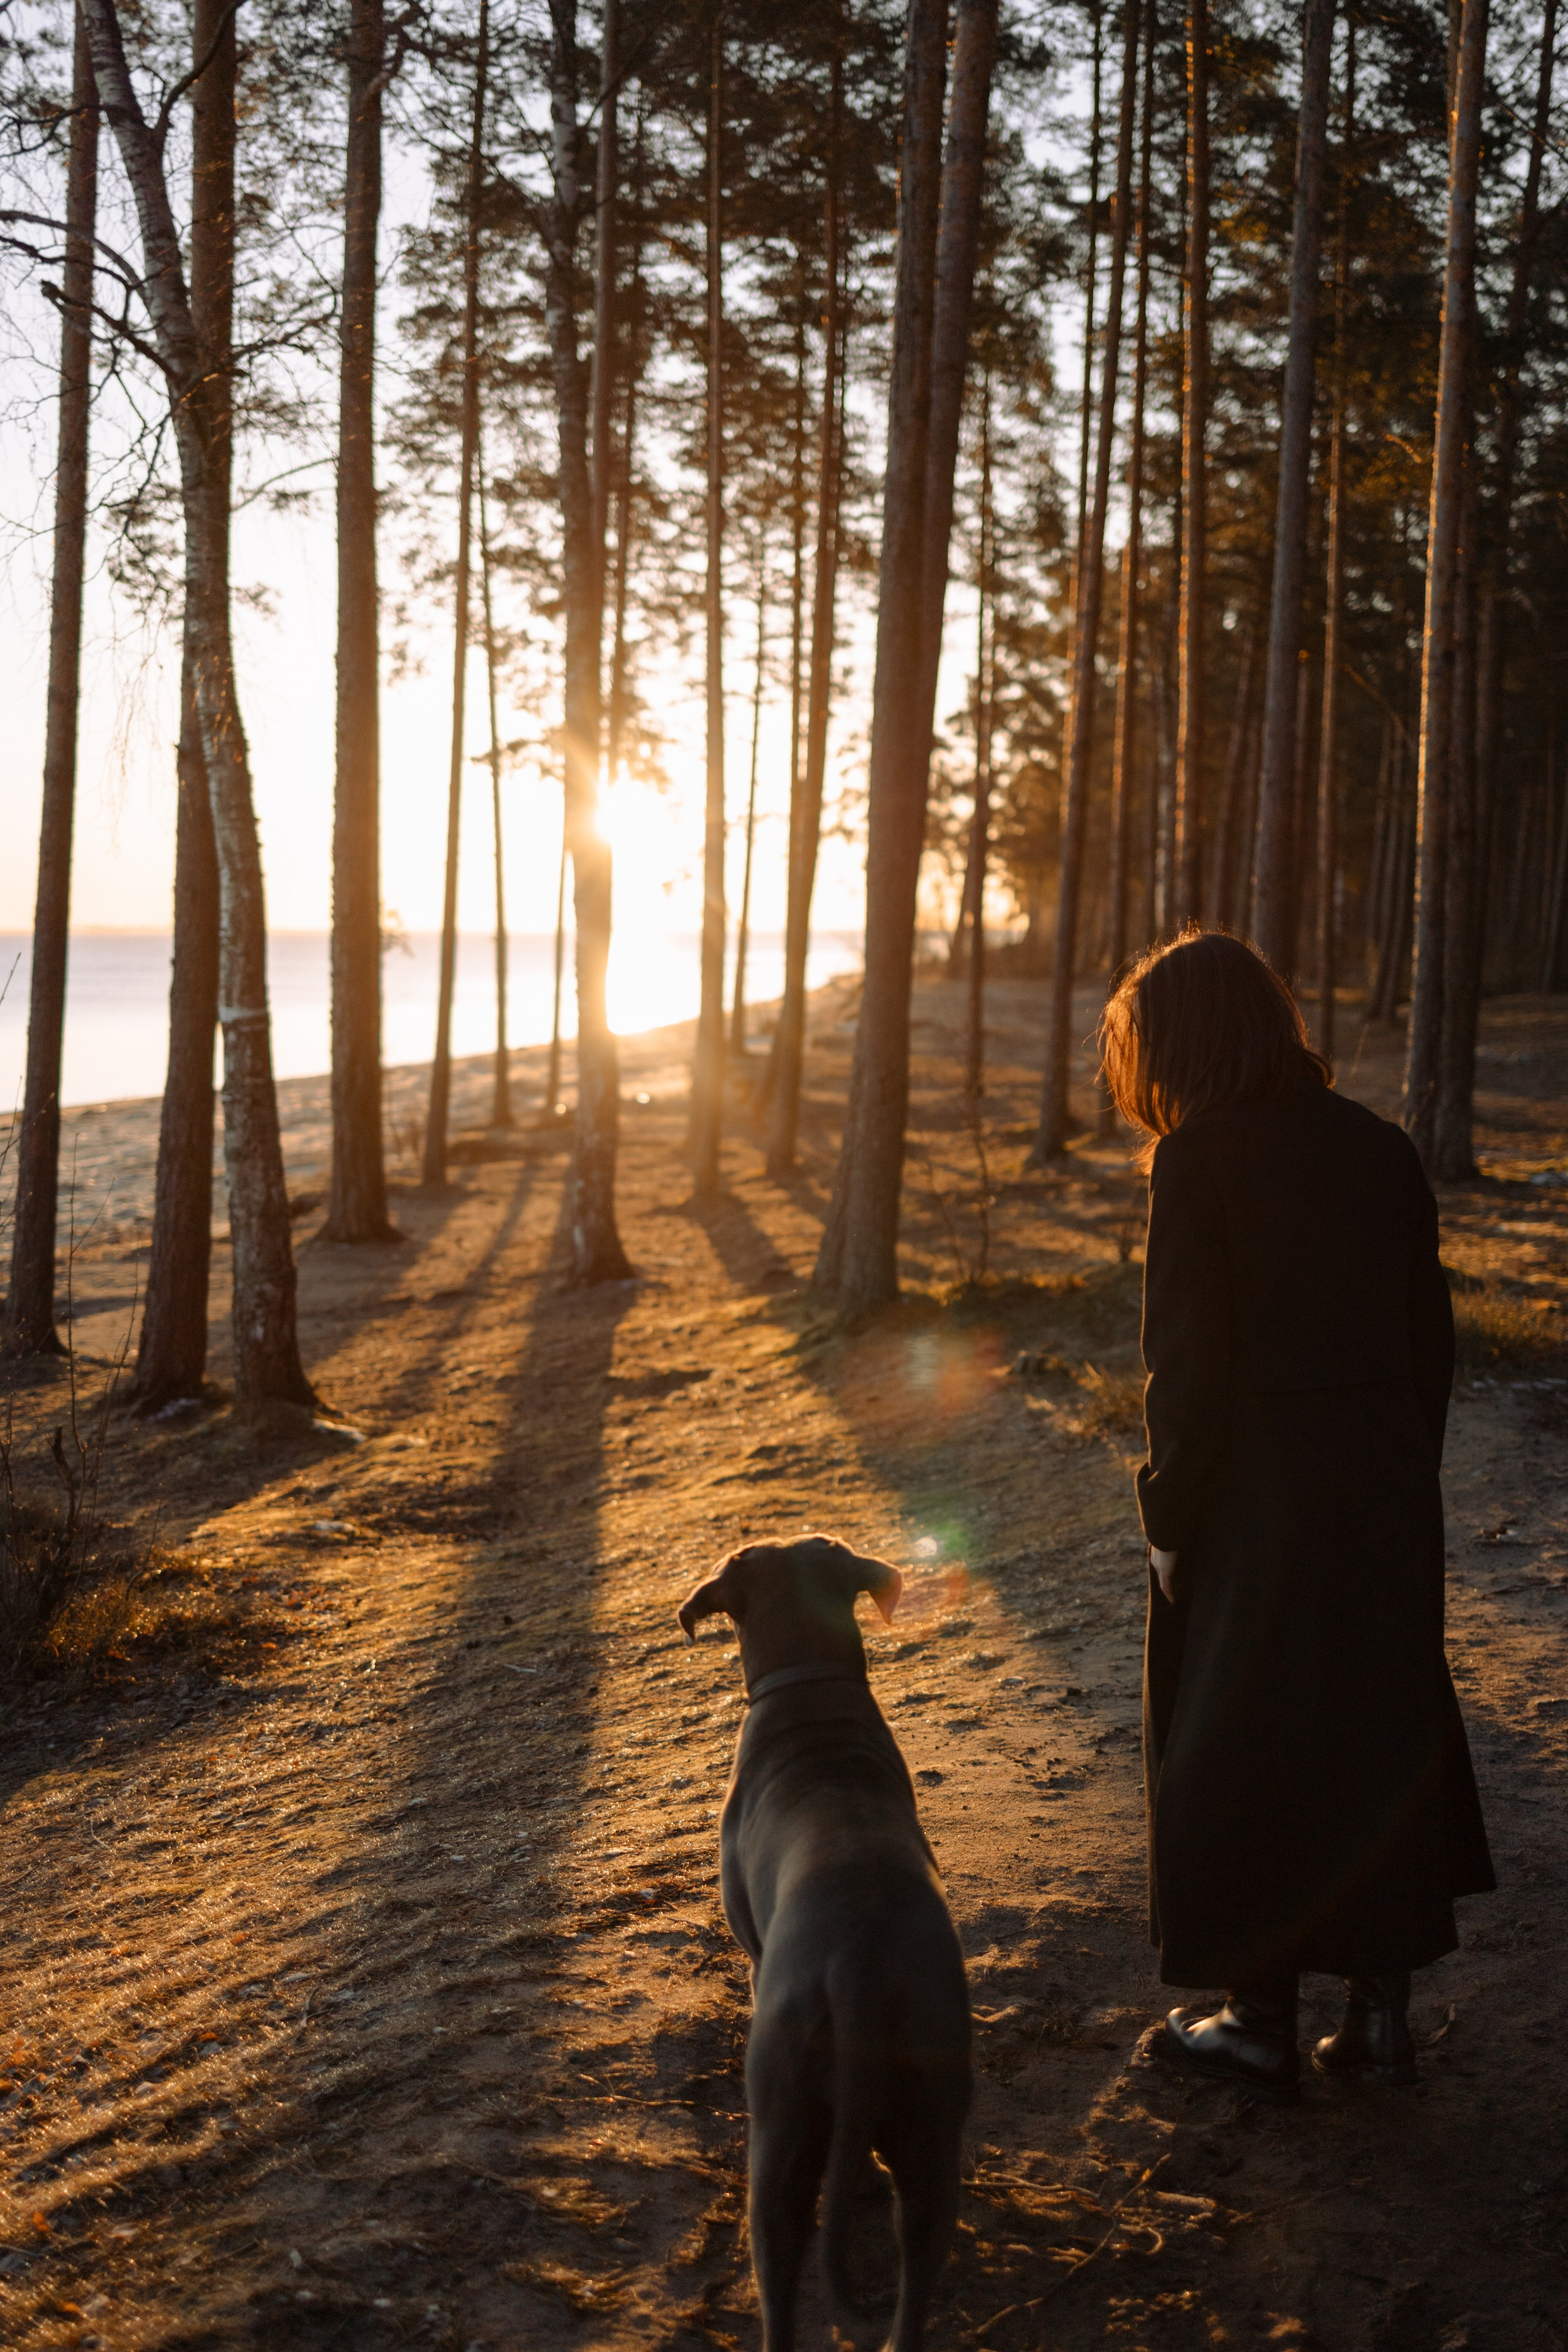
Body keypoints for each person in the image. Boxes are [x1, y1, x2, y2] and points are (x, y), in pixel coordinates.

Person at [1101, 927, 1494, 2100]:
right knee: (1375, 1732)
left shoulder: (1198, 1161)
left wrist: (1169, 1520)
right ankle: (1380, 2022)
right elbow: (1429, 1343)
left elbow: (1187, 1372)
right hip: (1381, 1496)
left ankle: (1257, 2018)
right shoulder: (1380, 1147)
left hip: (1254, 1512)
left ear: (1184, 1043)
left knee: (1235, 1744)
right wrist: (1398, 1482)